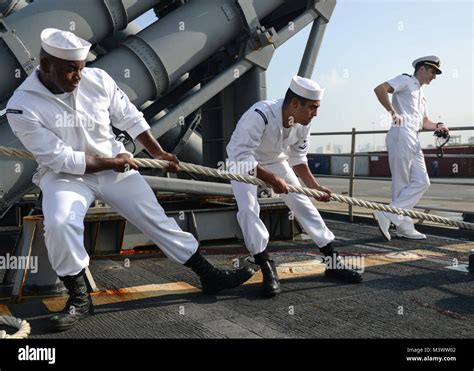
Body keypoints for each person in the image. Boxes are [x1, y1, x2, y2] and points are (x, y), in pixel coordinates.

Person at [6, 28, 254, 332]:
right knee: (59, 222)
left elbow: (129, 116)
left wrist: (158, 152)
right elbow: (58, 158)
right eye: (70, 69)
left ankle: (208, 275)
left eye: (81, 68)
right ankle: (80, 297)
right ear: (46, 66)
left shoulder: (98, 80)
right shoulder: (23, 104)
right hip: (65, 176)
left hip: (114, 169)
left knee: (155, 219)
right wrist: (114, 161)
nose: (78, 76)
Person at [226, 76, 363, 298]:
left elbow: (298, 157)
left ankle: (332, 261)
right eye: (313, 108)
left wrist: (315, 186)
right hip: (243, 162)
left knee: (303, 203)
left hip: (275, 160)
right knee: (248, 209)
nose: (315, 114)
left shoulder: (303, 122)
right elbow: (241, 154)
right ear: (296, 103)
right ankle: (266, 266)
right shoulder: (259, 114)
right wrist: (271, 179)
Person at [373, 56, 449, 241]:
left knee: (422, 181)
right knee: (401, 183)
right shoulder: (406, 80)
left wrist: (439, 125)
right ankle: (403, 226)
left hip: (413, 137)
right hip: (401, 133)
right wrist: (393, 113)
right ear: (422, 69)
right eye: (433, 72)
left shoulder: (421, 95)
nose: (434, 77)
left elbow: (424, 122)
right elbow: (380, 89)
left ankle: (390, 216)